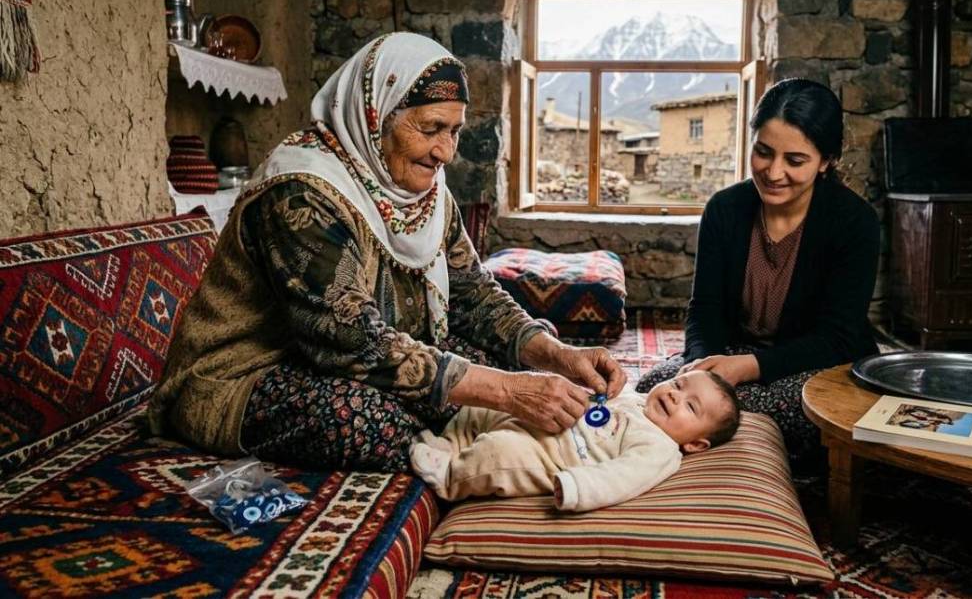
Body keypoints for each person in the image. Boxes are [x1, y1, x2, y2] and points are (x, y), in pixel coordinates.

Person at [147, 33, 626, 472]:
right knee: (366, 417)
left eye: (454, 131)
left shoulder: (425, 193)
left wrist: (556, 355)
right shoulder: (300, 193)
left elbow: (472, 294)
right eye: (431, 127)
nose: (445, 152)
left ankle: (482, 448)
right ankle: (476, 466)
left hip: (340, 357)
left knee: (495, 365)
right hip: (243, 377)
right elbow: (352, 341)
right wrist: (507, 392)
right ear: (376, 114)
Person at [637, 78, 880, 462]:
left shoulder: (855, 223)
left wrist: (748, 368)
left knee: (807, 411)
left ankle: (701, 441)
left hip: (815, 364)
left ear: (827, 161)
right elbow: (705, 310)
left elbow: (837, 338)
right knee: (651, 389)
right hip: (735, 354)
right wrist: (706, 373)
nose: (773, 172)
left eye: (795, 161)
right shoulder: (725, 209)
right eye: (763, 152)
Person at [410, 370, 741, 512]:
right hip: (550, 423)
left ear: (696, 444)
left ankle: (451, 476)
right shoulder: (639, 399)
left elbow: (621, 479)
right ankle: (450, 441)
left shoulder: (660, 450)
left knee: (499, 454)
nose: (674, 395)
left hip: (551, 457)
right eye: (678, 384)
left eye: (690, 406)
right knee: (483, 410)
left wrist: (576, 487)